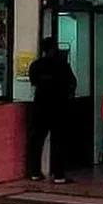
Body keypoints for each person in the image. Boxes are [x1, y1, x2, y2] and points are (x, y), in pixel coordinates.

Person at [27, 37, 77, 183]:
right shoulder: (62, 65)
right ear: (55, 48)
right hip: (59, 107)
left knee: (37, 140)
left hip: (40, 107)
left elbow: (33, 82)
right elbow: (72, 83)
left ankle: (35, 172)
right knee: (58, 141)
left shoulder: (36, 65)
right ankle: (59, 175)